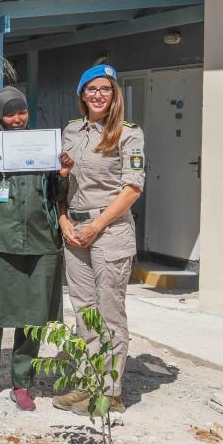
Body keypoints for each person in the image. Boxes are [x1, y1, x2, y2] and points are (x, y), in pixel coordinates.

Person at [53, 64, 145, 415]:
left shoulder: (128, 134)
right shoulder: (71, 131)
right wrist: (63, 219)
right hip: (75, 230)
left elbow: (132, 188)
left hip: (109, 230)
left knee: (109, 313)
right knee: (84, 311)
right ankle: (86, 383)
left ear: (114, 94)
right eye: (91, 89)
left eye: (105, 89)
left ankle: (109, 393)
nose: (98, 95)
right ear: (82, 94)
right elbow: (63, 180)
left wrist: (97, 225)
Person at [0, 87, 65, 412]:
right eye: (9, 113)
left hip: (40, 241)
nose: (16, 119)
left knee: (33, 316)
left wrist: (63, 174)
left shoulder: (46, 146)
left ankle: (22, 383)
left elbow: (57, 193)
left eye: (21, 112)